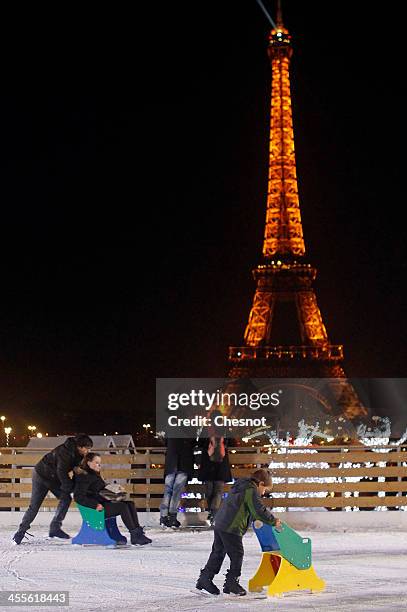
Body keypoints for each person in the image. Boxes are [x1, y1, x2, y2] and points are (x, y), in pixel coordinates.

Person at [195, 468, 281, 596]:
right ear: (261, 483)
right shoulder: (250, 490)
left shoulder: (241, 486)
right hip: (231, 527)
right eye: (264, 490)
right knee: (237, 554)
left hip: (221, 523)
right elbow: (258, 510)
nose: (263, 493)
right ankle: (232, 583)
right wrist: (273, 521)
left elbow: (246, 508)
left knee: (218, 552)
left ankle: (205, 579)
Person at [12, 434, 93, 545]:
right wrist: (70, 487)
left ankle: (55, 528)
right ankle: (20, 533)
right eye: (87, 448)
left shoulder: (78, 454)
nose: (88, 451)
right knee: (34, 506)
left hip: (53, 477)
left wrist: (78, 483)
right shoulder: (65, 452)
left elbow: (74, 471)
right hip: (41, 475)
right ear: (80, 446)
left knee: (65, 499)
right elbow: (62, 472)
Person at [74, 452, 151, 546]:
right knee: (122, 507)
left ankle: (138, 533)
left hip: (103, 502)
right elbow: (78, 497)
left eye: (99, 463)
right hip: (95, 509)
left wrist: (115, 489)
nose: (99, 465)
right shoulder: (83, 477)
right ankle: (134, 535)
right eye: (96, 462)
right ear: (88, 462)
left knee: (130, 503)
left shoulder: (94, 474)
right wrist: (94, 505)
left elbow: (100, 489)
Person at [198, 410, 233, 525]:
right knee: (218, 491)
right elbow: (232, 442)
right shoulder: (225, 429)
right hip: (221, 465)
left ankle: (212, 513)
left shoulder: (206, 429)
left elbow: (200, 444)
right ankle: (214, 514)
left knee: (209, 491)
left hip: (208, 465)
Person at [160, 437, 195, 528]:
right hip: (184, 463)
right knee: (176, 492)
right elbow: (194, 442)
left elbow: (164, 441)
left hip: (171, 463)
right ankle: (172, 517)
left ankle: (163, 517)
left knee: (168, 491)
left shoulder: (170, 427)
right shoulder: (188, 429)